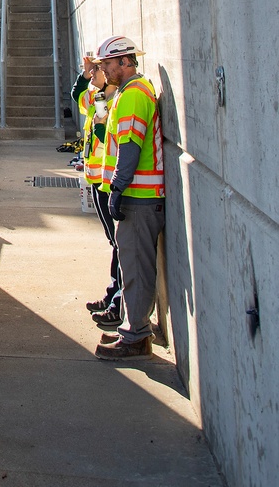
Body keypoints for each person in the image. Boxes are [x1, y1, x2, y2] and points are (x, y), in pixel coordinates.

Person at [92, 35, 164, 360]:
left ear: (125, 62)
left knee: (134, 267)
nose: (103, 71)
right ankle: (136, 330)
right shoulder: (128, 93)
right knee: (134, 265)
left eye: (107, 64)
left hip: (138, 197)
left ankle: (135, 337)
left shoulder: (133, 96)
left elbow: (130, 149)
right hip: (140, 196)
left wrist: (117, 190)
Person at [71, 55, 121, 323]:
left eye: (102, 69)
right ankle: (113, 293)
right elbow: (77, 94)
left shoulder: (109, 101)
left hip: (109, 181)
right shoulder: (98, 97)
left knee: (118, 244)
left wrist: (99, 91)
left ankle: (117, 300)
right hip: (97, 178)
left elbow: (103, 133)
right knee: (115, 243)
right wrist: (86, 75)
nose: (98, 73)